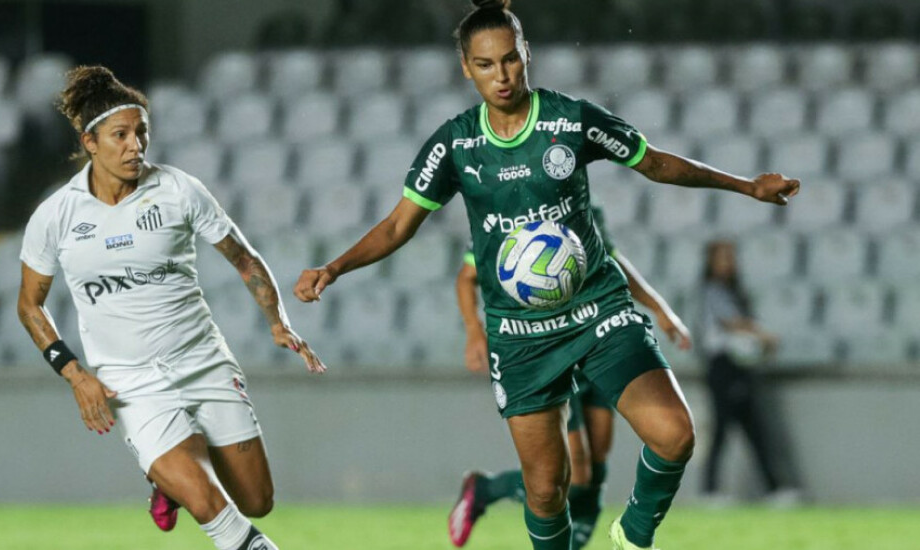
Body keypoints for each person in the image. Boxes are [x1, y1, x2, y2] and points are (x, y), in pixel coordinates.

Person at [294, 1, 799, 548]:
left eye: (510, 60)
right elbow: (397, 227)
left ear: (526, 54)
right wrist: (335, 267)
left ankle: (633, 535)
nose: (502, 75)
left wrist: (746, 185)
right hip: (520, 339)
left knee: (675, 435)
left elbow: (653, 162)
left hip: (598, 311)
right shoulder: (455, 145)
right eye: (486, 65)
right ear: (466, 67)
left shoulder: (570, 120)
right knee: (546, 490)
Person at [16, 65, 326, 550]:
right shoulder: (55, 215)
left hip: (203, 361)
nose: (135, 145)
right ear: (90, 141)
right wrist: (75, 374)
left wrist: (278, 322)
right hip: (129, 380)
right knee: (212, 507)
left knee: (257, 498)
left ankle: (169, 481)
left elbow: (244, 259)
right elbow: (30, 305)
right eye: (121, 135)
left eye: (142, 133)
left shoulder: (179, 190)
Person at [448, 205, 693, 549]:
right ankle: (487, 488)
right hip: (550, 349)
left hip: (599, 335)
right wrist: (475, 332)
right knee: (575, 473)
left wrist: (659, 309)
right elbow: (466, 276)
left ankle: (609, 540)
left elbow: (613, 261)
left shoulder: (584, 210)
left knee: (597, 456)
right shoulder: (510, 221)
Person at [699, 239, 799, 505]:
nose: (728, 263)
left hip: (739, 366)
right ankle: (710, 491)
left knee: (755, 428)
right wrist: (762, 334)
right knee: (722, 428)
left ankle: (774, 489)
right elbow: (731, 323)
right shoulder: (711, 291)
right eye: (722, 258)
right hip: (723, 365)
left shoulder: (734, 292)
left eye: (730, 258)